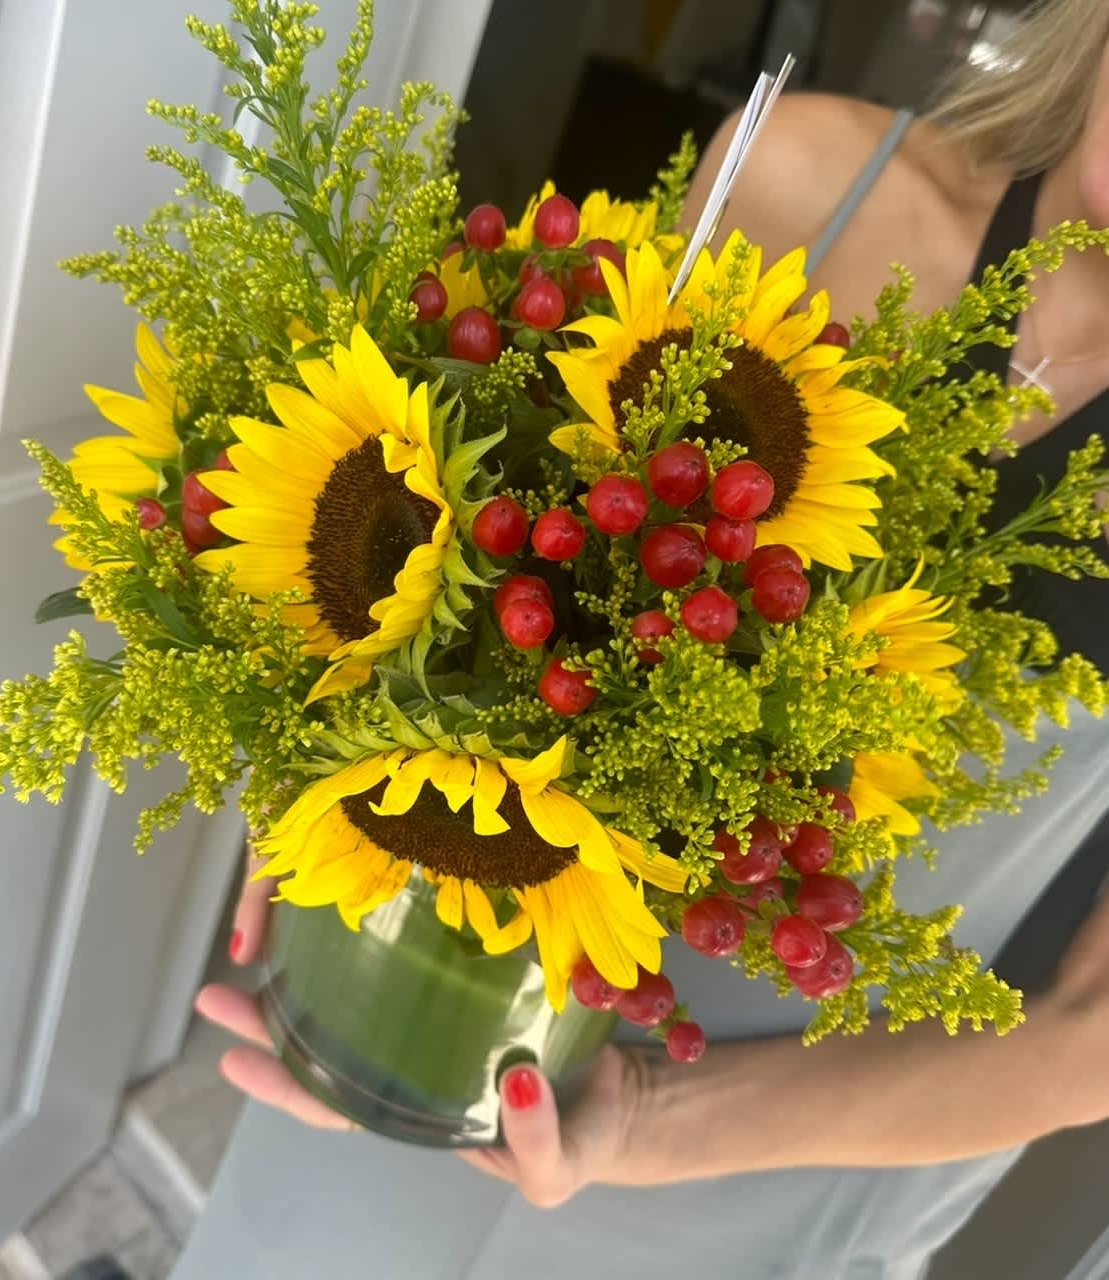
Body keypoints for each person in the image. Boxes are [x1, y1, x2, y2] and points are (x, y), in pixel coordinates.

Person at [177, 3, 1109, 1275]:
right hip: (470, 932)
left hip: (804, 1106)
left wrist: (652, 1117)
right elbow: (520, 538)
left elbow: (1088, 1031)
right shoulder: (811, 182)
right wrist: (339, 772)